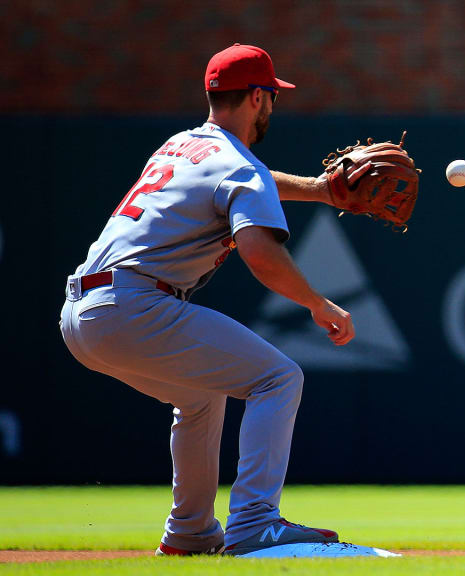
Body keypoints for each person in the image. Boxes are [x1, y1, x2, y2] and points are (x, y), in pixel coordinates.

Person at [59, 44, 368, 556]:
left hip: (81, 314)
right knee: (279, 377)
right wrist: (317, 302)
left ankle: (191, 533)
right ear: (256, 97)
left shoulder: (181, 145)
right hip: (134, 305)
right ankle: (253, 523)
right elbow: (259, 251)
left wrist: (320, 191)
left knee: (200, 396)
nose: (273, 105)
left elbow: (249, 179)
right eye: (272, 95)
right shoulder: (239, 164)